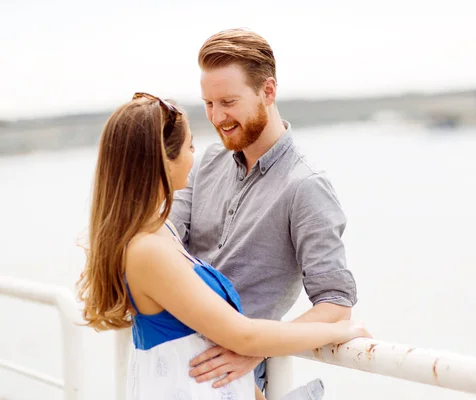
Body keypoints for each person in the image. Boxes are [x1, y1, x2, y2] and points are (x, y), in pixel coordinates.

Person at [76, 92, 370, 400]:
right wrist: (338, 331)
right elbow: (242, 335)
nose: (195, 155)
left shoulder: (161, 233)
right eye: (190, 146)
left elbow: (202, 343)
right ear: (163, 160)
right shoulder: (146, 250)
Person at [169, 28, 358, 391]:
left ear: (268, 91)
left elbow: (335, 305)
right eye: (209, 104)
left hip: (233, 382)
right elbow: (167, 242)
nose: (216, 117)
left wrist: (257, 347)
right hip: (172, 365)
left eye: (228, 102)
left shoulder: (306, 186)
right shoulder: (206, 162)